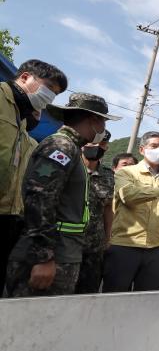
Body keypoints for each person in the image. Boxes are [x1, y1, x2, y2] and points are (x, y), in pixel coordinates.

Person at [5, 93, 120, 297]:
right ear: (93, 120)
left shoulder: (71, 149)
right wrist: (44, 258)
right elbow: (39, 198)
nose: (103, 129)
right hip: (52, 256)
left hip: (64, 252)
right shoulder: (61, 147)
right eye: (103, 121)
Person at [0, 59, 67, 295]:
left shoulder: (21, 117)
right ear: (25, 77)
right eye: (48, 88)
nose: (50, 97)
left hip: (9, 216)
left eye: (55, 94)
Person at [103, 131, 159, 292]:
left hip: (157, 249)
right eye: (154, 146)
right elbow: (128, 196)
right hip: (125, 245)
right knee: (114, 296)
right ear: (142, 150)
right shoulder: (126, 173)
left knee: (147, 298)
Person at [76, 130, 114, 294]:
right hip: (66, 242)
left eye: (102, 144)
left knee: (87, 291)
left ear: (106, 147)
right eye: (93, 143)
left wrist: (108, 237)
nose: (97, 147)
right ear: (84, 143)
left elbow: (107, 208)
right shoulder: (71, 167)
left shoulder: (108, 175)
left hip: (94, 246)